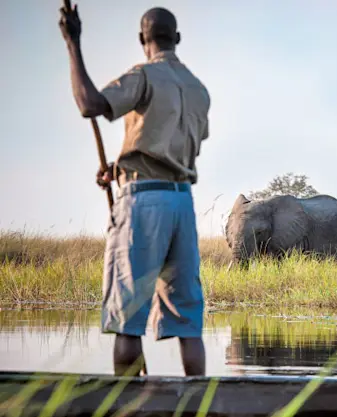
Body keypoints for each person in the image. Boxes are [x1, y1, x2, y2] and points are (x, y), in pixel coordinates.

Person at [58, 0, 210, 376]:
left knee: (127, 316)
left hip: (144, 205)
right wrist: (119, 169)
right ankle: (201, 403)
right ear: (177, 38)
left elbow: (89, 104)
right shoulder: (198, 89)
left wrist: (72, 44)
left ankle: (128, 407)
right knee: (188, 322)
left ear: (143, 38)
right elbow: (170, 147)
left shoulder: (143, 75)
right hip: (182, 205)